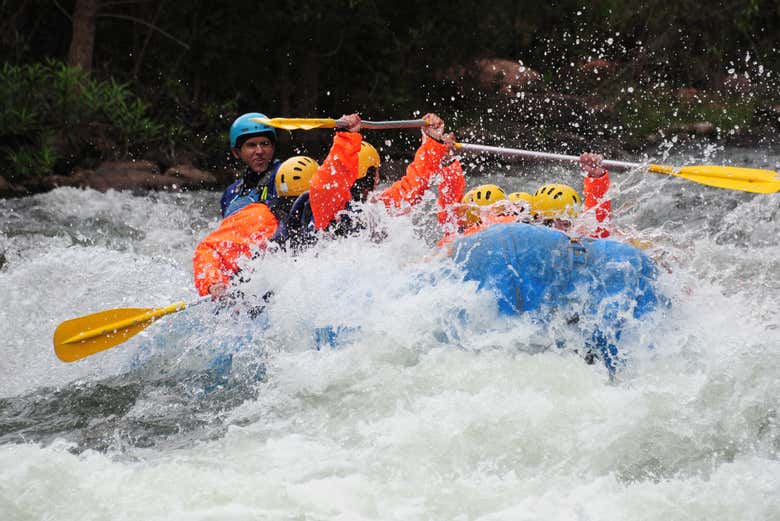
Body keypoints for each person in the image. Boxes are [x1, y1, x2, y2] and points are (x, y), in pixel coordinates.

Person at [306, 113, 464, 237]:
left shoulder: (324, 206)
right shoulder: (378, 207)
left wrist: (346, 137)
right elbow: (416, 184)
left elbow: (332, 177)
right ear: (372, 175)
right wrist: (433, 142)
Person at [193, 156, 318, 297]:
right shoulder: (261, 217)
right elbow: (209, 248)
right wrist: (213, 283)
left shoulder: (324, 216)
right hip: (244, 296)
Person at [220, 113, 282, 218]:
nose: (259, 151)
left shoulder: (286, 176)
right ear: (236, 152)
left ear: (273, 147)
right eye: (251, 145)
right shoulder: (231, 193)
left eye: (265, 144)